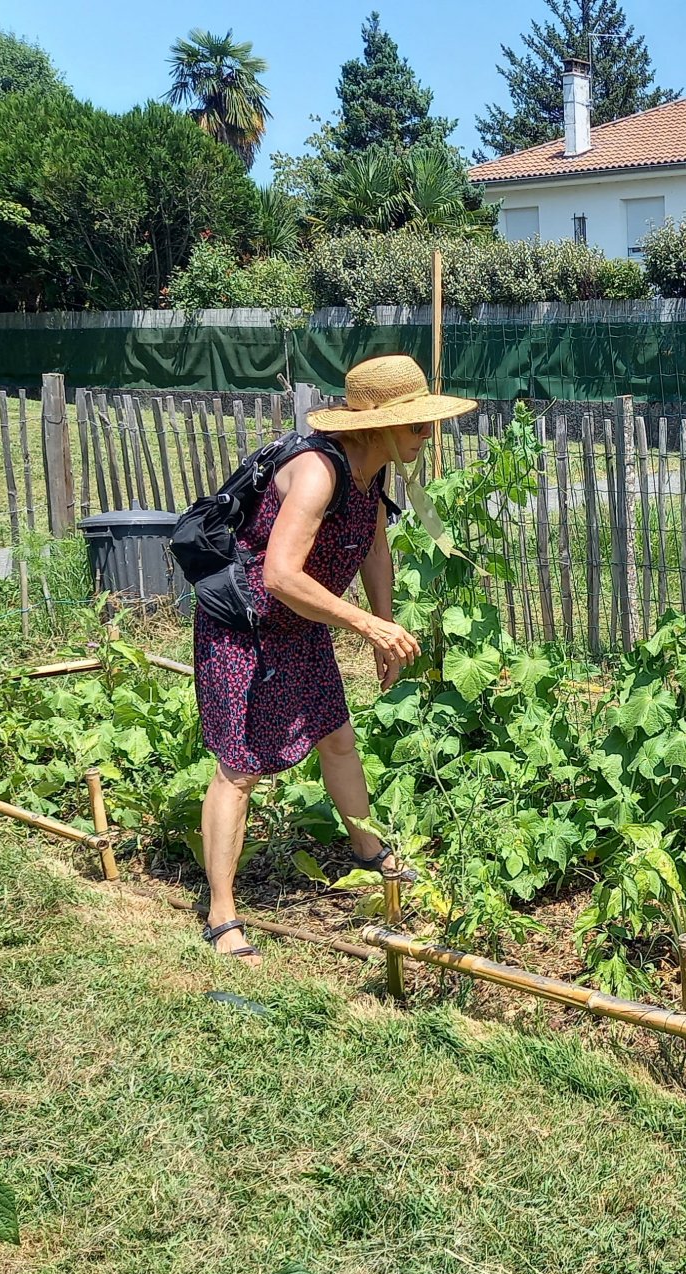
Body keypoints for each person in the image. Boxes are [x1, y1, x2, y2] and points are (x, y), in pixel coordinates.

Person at [194, 355, 476, 959]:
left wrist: (386, 619)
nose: (427, 437)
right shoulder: (319, 471)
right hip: (247, 625)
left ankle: (369, 850)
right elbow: (279, 574)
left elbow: (374, 547)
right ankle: (222, 912)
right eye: (417, 426)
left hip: (303, 625)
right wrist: (363, 623)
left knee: (337, 737)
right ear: (376, 424)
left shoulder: (371, 473)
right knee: (238, 768)